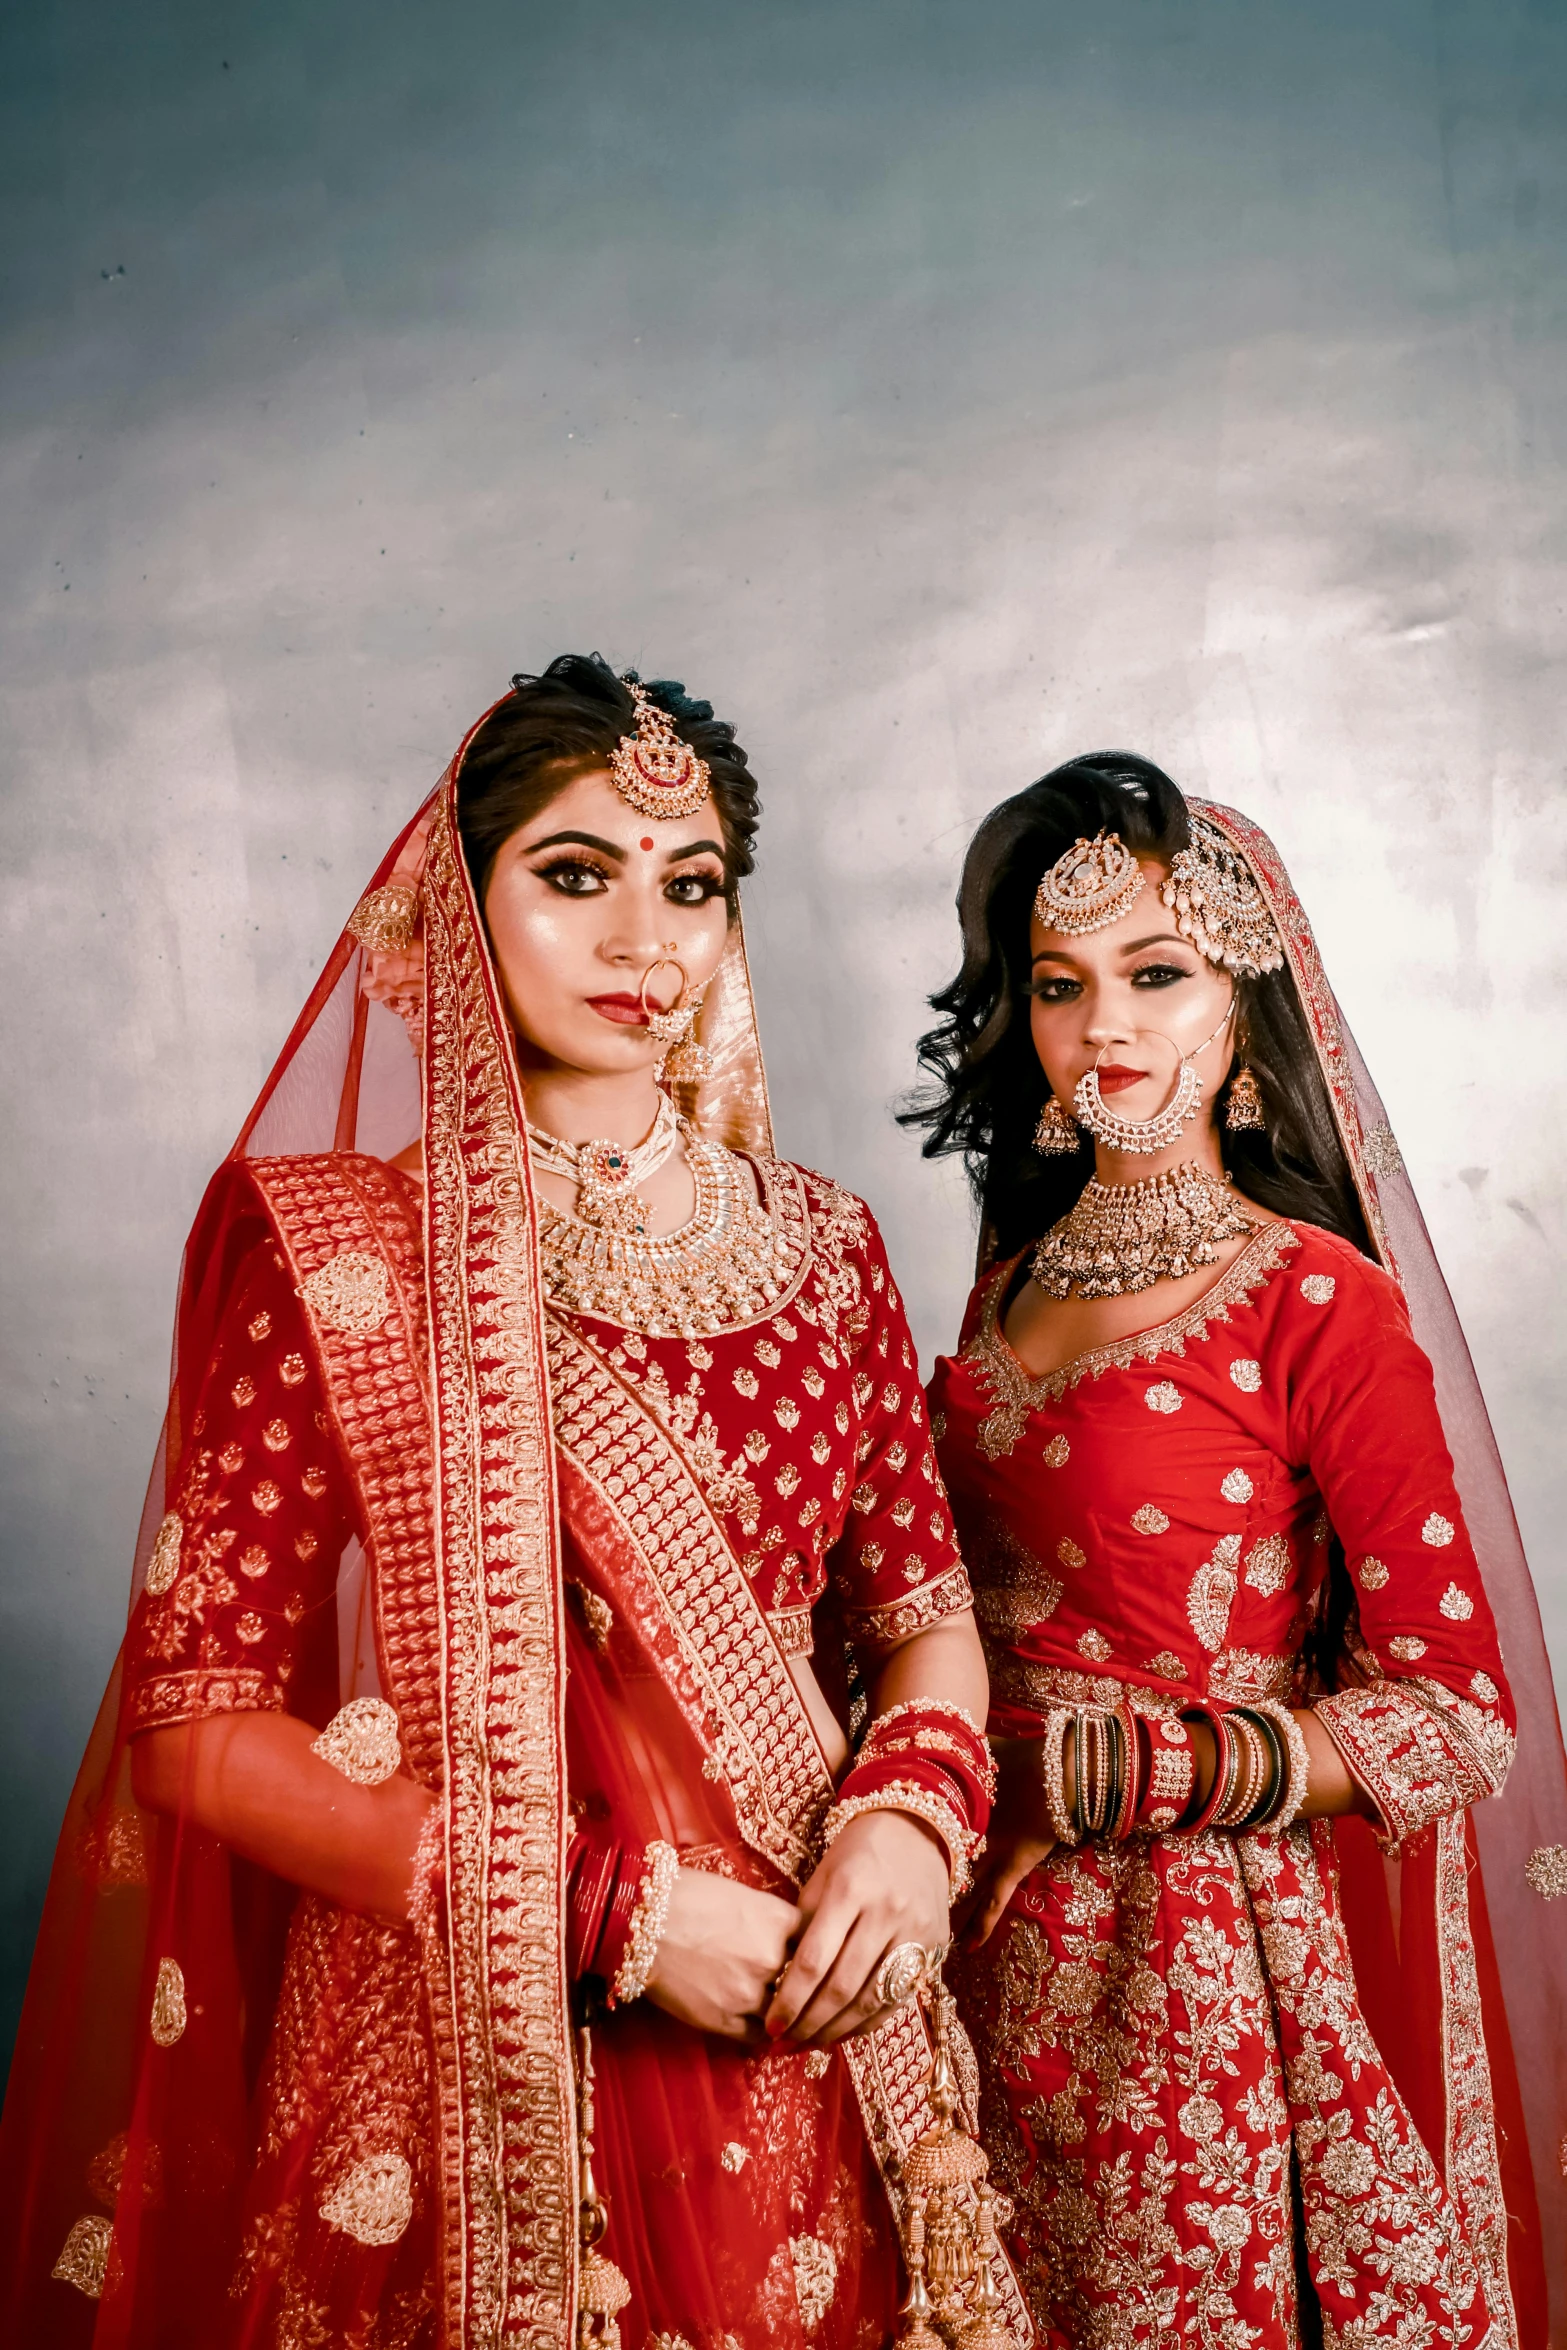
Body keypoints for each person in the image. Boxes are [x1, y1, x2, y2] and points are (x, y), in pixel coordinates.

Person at [0, 657, 1018, 2350]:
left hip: (808, 1999)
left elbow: (919, 1620)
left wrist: (907, 1832)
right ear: (448, 916)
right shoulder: (339, 1251)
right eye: (573, 874)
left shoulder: (825, 1244)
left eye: (689, 884)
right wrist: (607, 1910)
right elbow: (192, 1718)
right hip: (474, 2026)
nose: (648, 939)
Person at [905, 754, 1567, 2348]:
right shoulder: (1009, 1280)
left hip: (1187, 1969)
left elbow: (1453, 1704)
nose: (1106, 1026)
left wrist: (1116, 1781)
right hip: (960, 1934)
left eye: (1157, 972)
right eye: (1059, 985)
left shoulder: (1312, 1294)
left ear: (1242, 999)